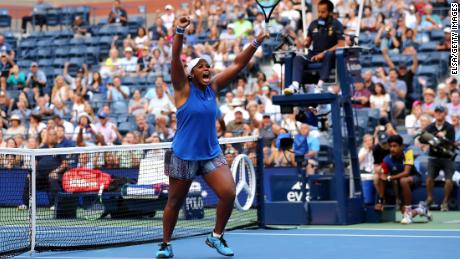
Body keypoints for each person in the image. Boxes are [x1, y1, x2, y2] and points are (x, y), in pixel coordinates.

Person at [155, 16, 267, 258]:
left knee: (228, 193)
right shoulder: (183, 89)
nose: (207, 69)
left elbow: (238, 65)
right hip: (183, 154)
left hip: (210, 152)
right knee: (174, 202)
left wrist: (256, 42)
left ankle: (216, 237)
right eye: (201, 66)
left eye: (208, 66)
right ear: (192, 73)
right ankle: (165, 245)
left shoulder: (213, 88)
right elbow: (175, 58)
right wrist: (180, 31)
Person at [283, 0, 344, 95]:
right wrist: (296, 39)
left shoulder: (337, 24)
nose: (320, 14)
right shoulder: (313, 24)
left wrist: (323, 53)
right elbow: (306, 44)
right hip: (314, 54)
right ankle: (295, 85)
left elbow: (341, 44)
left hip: (330, 55)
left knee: (328, 54)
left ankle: (319, 86)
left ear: (330, 12)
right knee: (298, 58)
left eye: (323, 12)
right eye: (319, 11)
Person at [373, 135, 431, 224]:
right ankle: (421, 210)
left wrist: (389, 177)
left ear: (401, 146)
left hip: (413, 179)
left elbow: (406, 172)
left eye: (395, 146)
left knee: (403, 180)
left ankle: (408, 212)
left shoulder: (408, 154)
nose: (392, 149)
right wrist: (380, 201)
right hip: (397, 184)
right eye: (390, 146)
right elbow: (382, 178)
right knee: (379, 177)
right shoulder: (386, 159)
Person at [19, 128, 69, 210]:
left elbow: (65, 164)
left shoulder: (60, 148)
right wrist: (32, 172)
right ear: (47, 136)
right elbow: (35, 161)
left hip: (55, 175)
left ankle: (56, 204)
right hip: (41, 176)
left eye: (53, 135)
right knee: (30, 178)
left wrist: (55, 171)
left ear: (56, 137)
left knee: (52, 178)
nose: (51, 137)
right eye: (50, 135)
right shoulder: (42, 148)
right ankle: (27, 204)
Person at [423, 105, 456, 211]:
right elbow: (422, 139)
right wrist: (433, 136)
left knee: (449, 181)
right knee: (429, 179)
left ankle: (445, 202)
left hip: (447, 158)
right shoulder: (430, 127)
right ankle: (429, 198)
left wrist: (444, 138)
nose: (438, 114)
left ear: (444, 114)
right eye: (436, 112)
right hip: (433, 157)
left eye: (440, 112)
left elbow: (451, 144)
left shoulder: (449, 127)